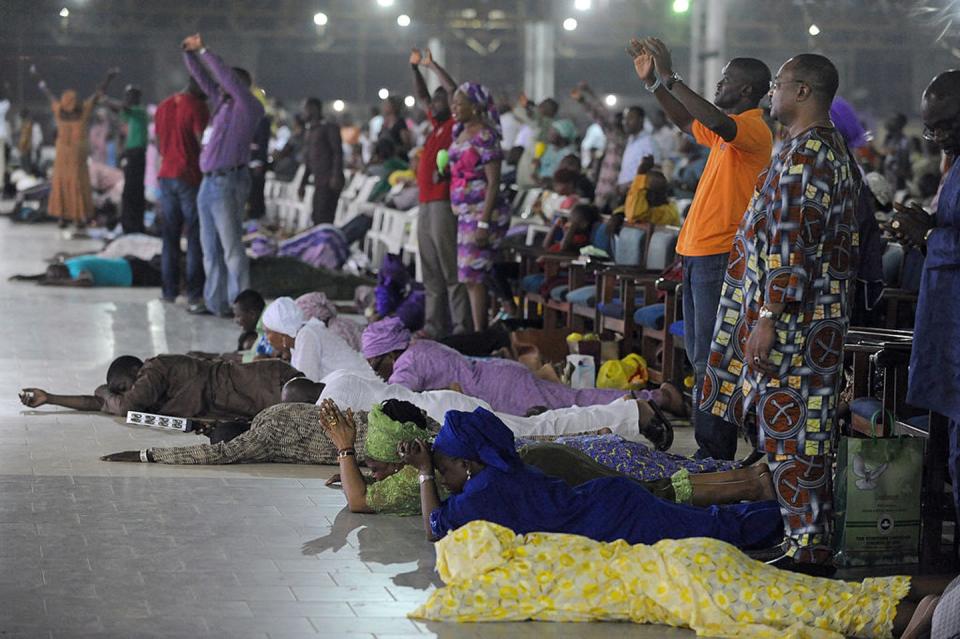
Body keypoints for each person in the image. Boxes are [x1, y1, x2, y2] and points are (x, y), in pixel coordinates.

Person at [699, 54, 859, 573]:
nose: (771, 93)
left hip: (795, 324)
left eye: (781, 86)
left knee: (798, 433)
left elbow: (792, 245)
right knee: (787, 432)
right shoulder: (804, 147)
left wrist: (767, 315)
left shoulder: (811, 152)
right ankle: (799, 539)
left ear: (805, 92)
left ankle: (809, 551)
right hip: (795, 318)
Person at [410, 520, 947, 639]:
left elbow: (440, 608)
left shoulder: (513, 583)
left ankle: (930, 622)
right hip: (690, 556)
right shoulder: (533, 543)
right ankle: (943, 591)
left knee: (816, 611)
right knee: (826, 592)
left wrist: (434, 600)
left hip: (691, 588)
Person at [630, 38, 773, 461]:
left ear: (746, 91)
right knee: (700, 357)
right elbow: (685, 123)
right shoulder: (726, 131)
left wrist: (672, 76)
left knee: (715, 358)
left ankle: (715, 454)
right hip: (698, 255)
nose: (718, 85)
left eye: (726, 80)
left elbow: (712, 119)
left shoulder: (751, 127)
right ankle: (713, 450)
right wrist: (655, 84)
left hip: (720, 258)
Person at [398, 406, 782, 550]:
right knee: (707, 528)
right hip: (610, 504)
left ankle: (796, 521)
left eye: (445, 470)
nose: (443, 480)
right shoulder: (499, 473)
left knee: (714, 532)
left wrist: (422, 473)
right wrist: (428, 468)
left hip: (617, 515)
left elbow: (434, 527)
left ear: (468, 463)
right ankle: (793, 516)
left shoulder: (484, 490)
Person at [322, 399, 773, 517]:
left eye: (377, 466)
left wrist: (343, 449)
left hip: (557, 465)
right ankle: (753, 477)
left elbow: (359, 501)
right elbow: (366, 486)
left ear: (404, 457)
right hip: (561, 453)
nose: (373, 474)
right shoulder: (441, 440)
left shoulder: (423, 473)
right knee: (670, 473)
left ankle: (755, 484)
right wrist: (358, 470)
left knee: (657, 490)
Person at [361, 318, 677, 449]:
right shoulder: (420, 348)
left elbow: (396, 398)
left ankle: (653, 400)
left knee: (573, 404)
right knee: (573, 399)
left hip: (503, 389)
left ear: (390, 353)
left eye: (377, 364)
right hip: (500, 376)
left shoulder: (407, 363)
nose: (380, 372)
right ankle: (651, 399)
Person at [882, 70, 960, 524]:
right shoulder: (956, 164)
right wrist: (920, 230)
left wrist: (930, 233)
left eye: (948, 124)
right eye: (932, 127)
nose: (939, 137)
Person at [181, 33, 265, 316]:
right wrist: (190, 56)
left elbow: (225, 79)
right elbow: (206, 82)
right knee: (210, 249)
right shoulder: (223, 104)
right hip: (209, 182)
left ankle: (240, 303)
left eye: (229, 81)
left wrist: (205, 50)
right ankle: (216, 303)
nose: (222, 84)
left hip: (228, 180)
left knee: (231, 248)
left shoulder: (249, 107)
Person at [409, 47, 473, 338]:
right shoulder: (435, 125)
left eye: (440, 100)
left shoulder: (456, 125)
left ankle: (460, 326)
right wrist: (414, 70)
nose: (434, 104)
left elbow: (455, 89)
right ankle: (434, 325)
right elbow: (423, 97)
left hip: (443, 202)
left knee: (449, 268)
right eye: (433, 102)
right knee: (430, 269)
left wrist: (433, 65)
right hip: (425, 202)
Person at [19, 354, 299, 419]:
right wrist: (51, 398)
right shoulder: (152, 385)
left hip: (267, 383)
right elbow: (104, 404)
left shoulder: (155, 369)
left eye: (123, 385)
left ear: (134, 369)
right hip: (256, 396)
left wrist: (103, 390)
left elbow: (125, 404)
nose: (125, 391)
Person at [450, 82, 511, 331]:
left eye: (458, 104)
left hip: (483, 213)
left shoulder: (486, 135)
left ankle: (481, 334)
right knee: (469, 277)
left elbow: (494, 181)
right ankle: (482, 331)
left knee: (474, 275)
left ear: (475, 108)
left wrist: (484, 222)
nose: (454, 108)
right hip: (465, 212)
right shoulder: (459, 132)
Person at [31, 65, 117, 229]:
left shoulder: (59, 112)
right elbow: (97, 95)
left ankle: (63, 218)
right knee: (78, 184)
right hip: (78, 158)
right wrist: (109, 78)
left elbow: (47, 94)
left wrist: (37, 78)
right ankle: (78, 218)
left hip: (62, 157)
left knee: (62, 185)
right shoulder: (83, 111)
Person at [154, 77, 209, 304]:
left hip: (166, 176)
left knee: (170, 237)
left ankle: (169, 292)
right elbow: (202, 142)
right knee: (195, 236)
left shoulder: (163, 106)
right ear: (198, 85)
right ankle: (195, 294)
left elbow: (158, 145)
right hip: (190, 177)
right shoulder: (197, 106)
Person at [572, 82, 648, 211]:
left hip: (616, 192)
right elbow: (600, 116)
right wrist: (584, 100)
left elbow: (603, 114)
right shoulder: (617, 138)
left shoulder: (623, 140)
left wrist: (587, 96)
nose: (624, 123)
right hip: (604, 189)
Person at [261, 297, 372, 382]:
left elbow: (305, 383)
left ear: (281, 333)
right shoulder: (299, 337)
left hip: (358, 386)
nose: (266, 338)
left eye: (267, 332)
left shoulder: (306, 336)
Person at [104, 85, 148, 233]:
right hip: (131, 154)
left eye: (129, 96)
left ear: (136, 98)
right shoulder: (131, 114)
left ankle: (134, 225)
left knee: (133, 190)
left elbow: (122, 108)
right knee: (129, 191)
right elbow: (119, 114)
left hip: (137, 154)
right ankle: (128, 224)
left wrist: (106, 100)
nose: (127, 99)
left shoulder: (140, 111)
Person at [297, 98, 344, 225]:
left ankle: (325, 243)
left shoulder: (329, 128)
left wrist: (335, 176)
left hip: (329, 180)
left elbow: (337, 153)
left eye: (305, 109)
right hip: (319, 179)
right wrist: (303, 183)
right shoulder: (311, 131)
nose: (303, 113)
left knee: (324, 216)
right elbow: (309, 161)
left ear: (313, 109)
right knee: (317, 215)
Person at [10, 255, 161, 287]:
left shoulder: (75, 269)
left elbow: (86, 281)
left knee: (167, 279)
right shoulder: (69, 264)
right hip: (131, 267)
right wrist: (26, 278)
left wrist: (54, 282)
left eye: (57, 276)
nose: (57, 277)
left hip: (134, 274)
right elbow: (51, 273)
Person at [621, 154, 680, 225]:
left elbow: (634, 213)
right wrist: (618, 214)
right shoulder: (650, 208)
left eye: (642, 191)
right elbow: (627, 208)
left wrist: (641, 173)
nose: (638, 193)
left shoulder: (668, 213)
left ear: (652, 196)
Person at [883, 112, 912, 191]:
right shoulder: (889, 139)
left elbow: (905, 160)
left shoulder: (904, 141)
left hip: (899, 178)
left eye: (895, 120)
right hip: (889, 176)